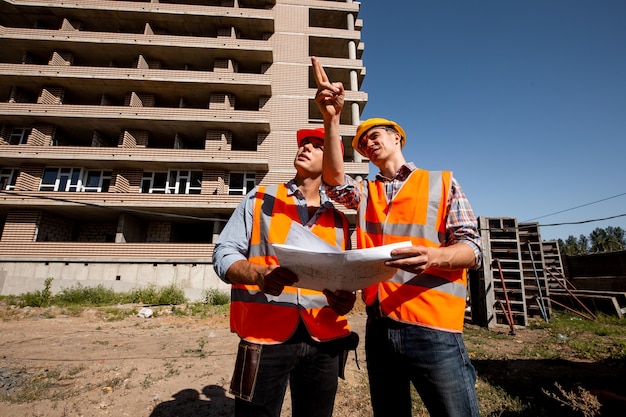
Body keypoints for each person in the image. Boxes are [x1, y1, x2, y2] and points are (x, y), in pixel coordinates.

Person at [312, 56, 483, 417]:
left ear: (396, 136)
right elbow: (331, 181)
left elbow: (472, 248)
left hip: (433, 326)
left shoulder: (441, 182)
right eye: (362, 144)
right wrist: (331, 120)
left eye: (374, 136)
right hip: (380, 325)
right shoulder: (365, 193)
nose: (368, 144)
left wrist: (433, 257)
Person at [212, 126, 357, 417]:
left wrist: (347, 300)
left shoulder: (339, 221)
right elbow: (223, 254)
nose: (305, 148)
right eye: (304, 144)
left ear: (332, 162)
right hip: (263, 337)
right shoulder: (260, 198)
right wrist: (259, 275)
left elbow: (345, 280)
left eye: (317, 146)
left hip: (324, 340)